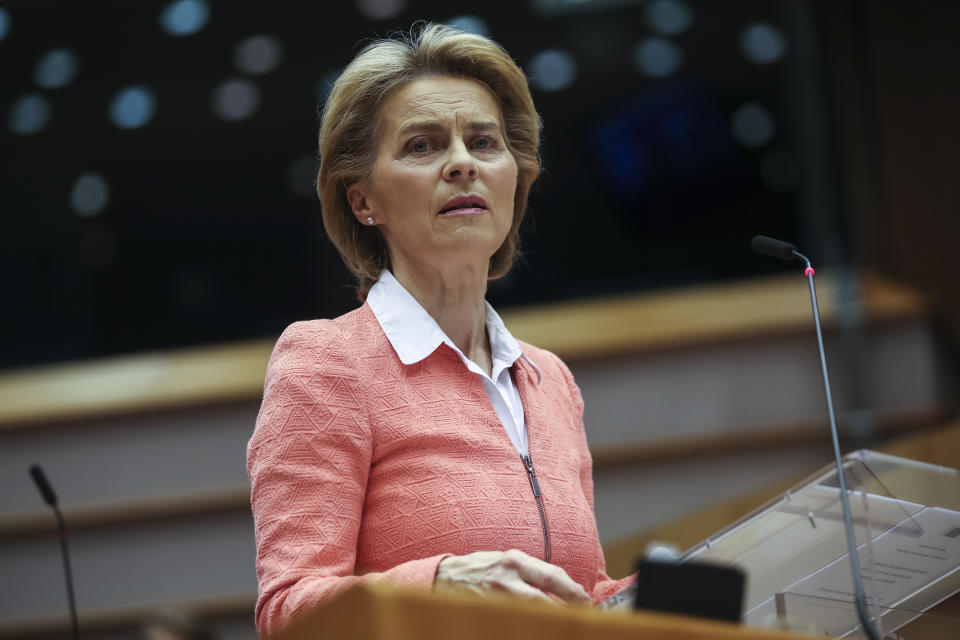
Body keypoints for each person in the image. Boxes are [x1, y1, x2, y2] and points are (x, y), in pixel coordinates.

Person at [246, 23, 633, 637]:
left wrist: (662, 592)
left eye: (483, 142)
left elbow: (575, 595)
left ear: (515, 178)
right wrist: (440, 583)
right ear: (361, 201)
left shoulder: (549, 379)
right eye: (422, 146)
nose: (461, 163)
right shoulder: (324, 365)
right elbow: (289, 612)